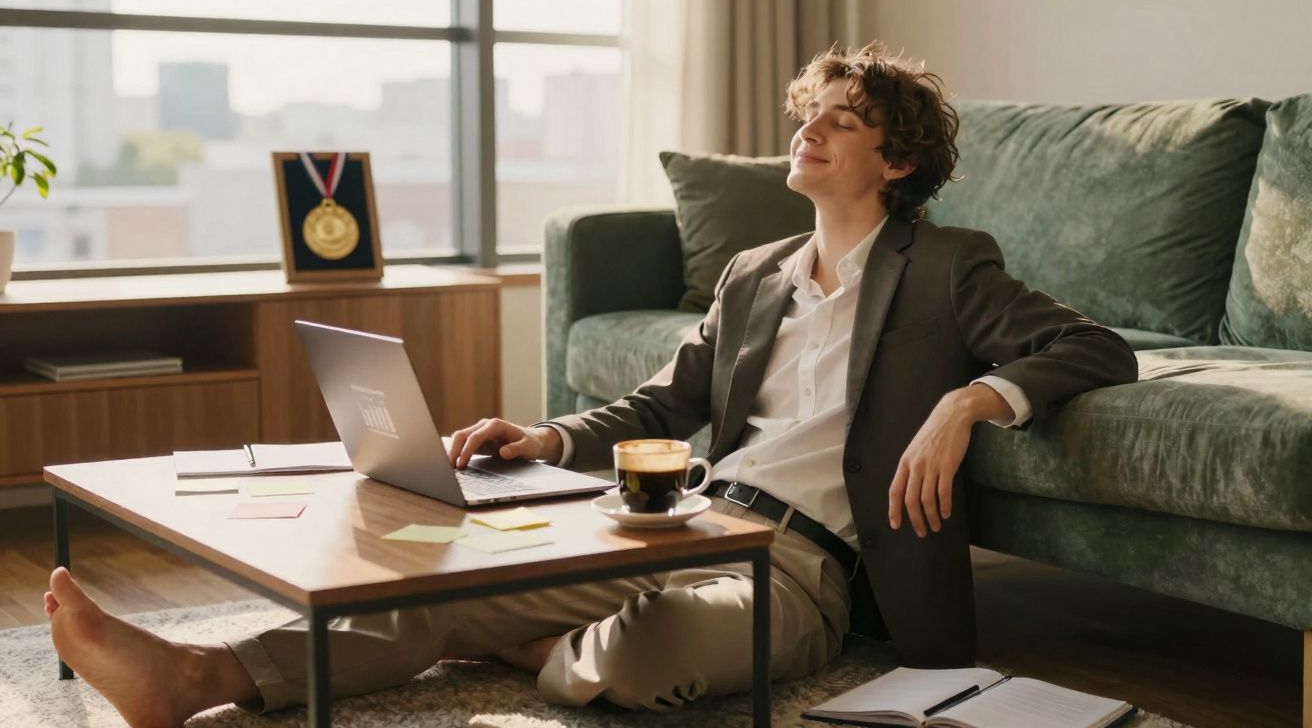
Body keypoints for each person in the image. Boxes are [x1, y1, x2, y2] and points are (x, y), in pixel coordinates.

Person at [43, 41, 1138, 727]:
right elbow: (668, 400)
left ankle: (522, 647)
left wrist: (966, 402)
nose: (805, 129)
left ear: (893, 163)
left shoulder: (946, 265)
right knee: (446, 582)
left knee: (656, 646)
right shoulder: (754, 271)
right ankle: (196, 675)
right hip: (676, 518)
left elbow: (1095, 347)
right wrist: (546, 437)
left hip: (799, 567)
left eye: (838, 122)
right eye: (808, 113)